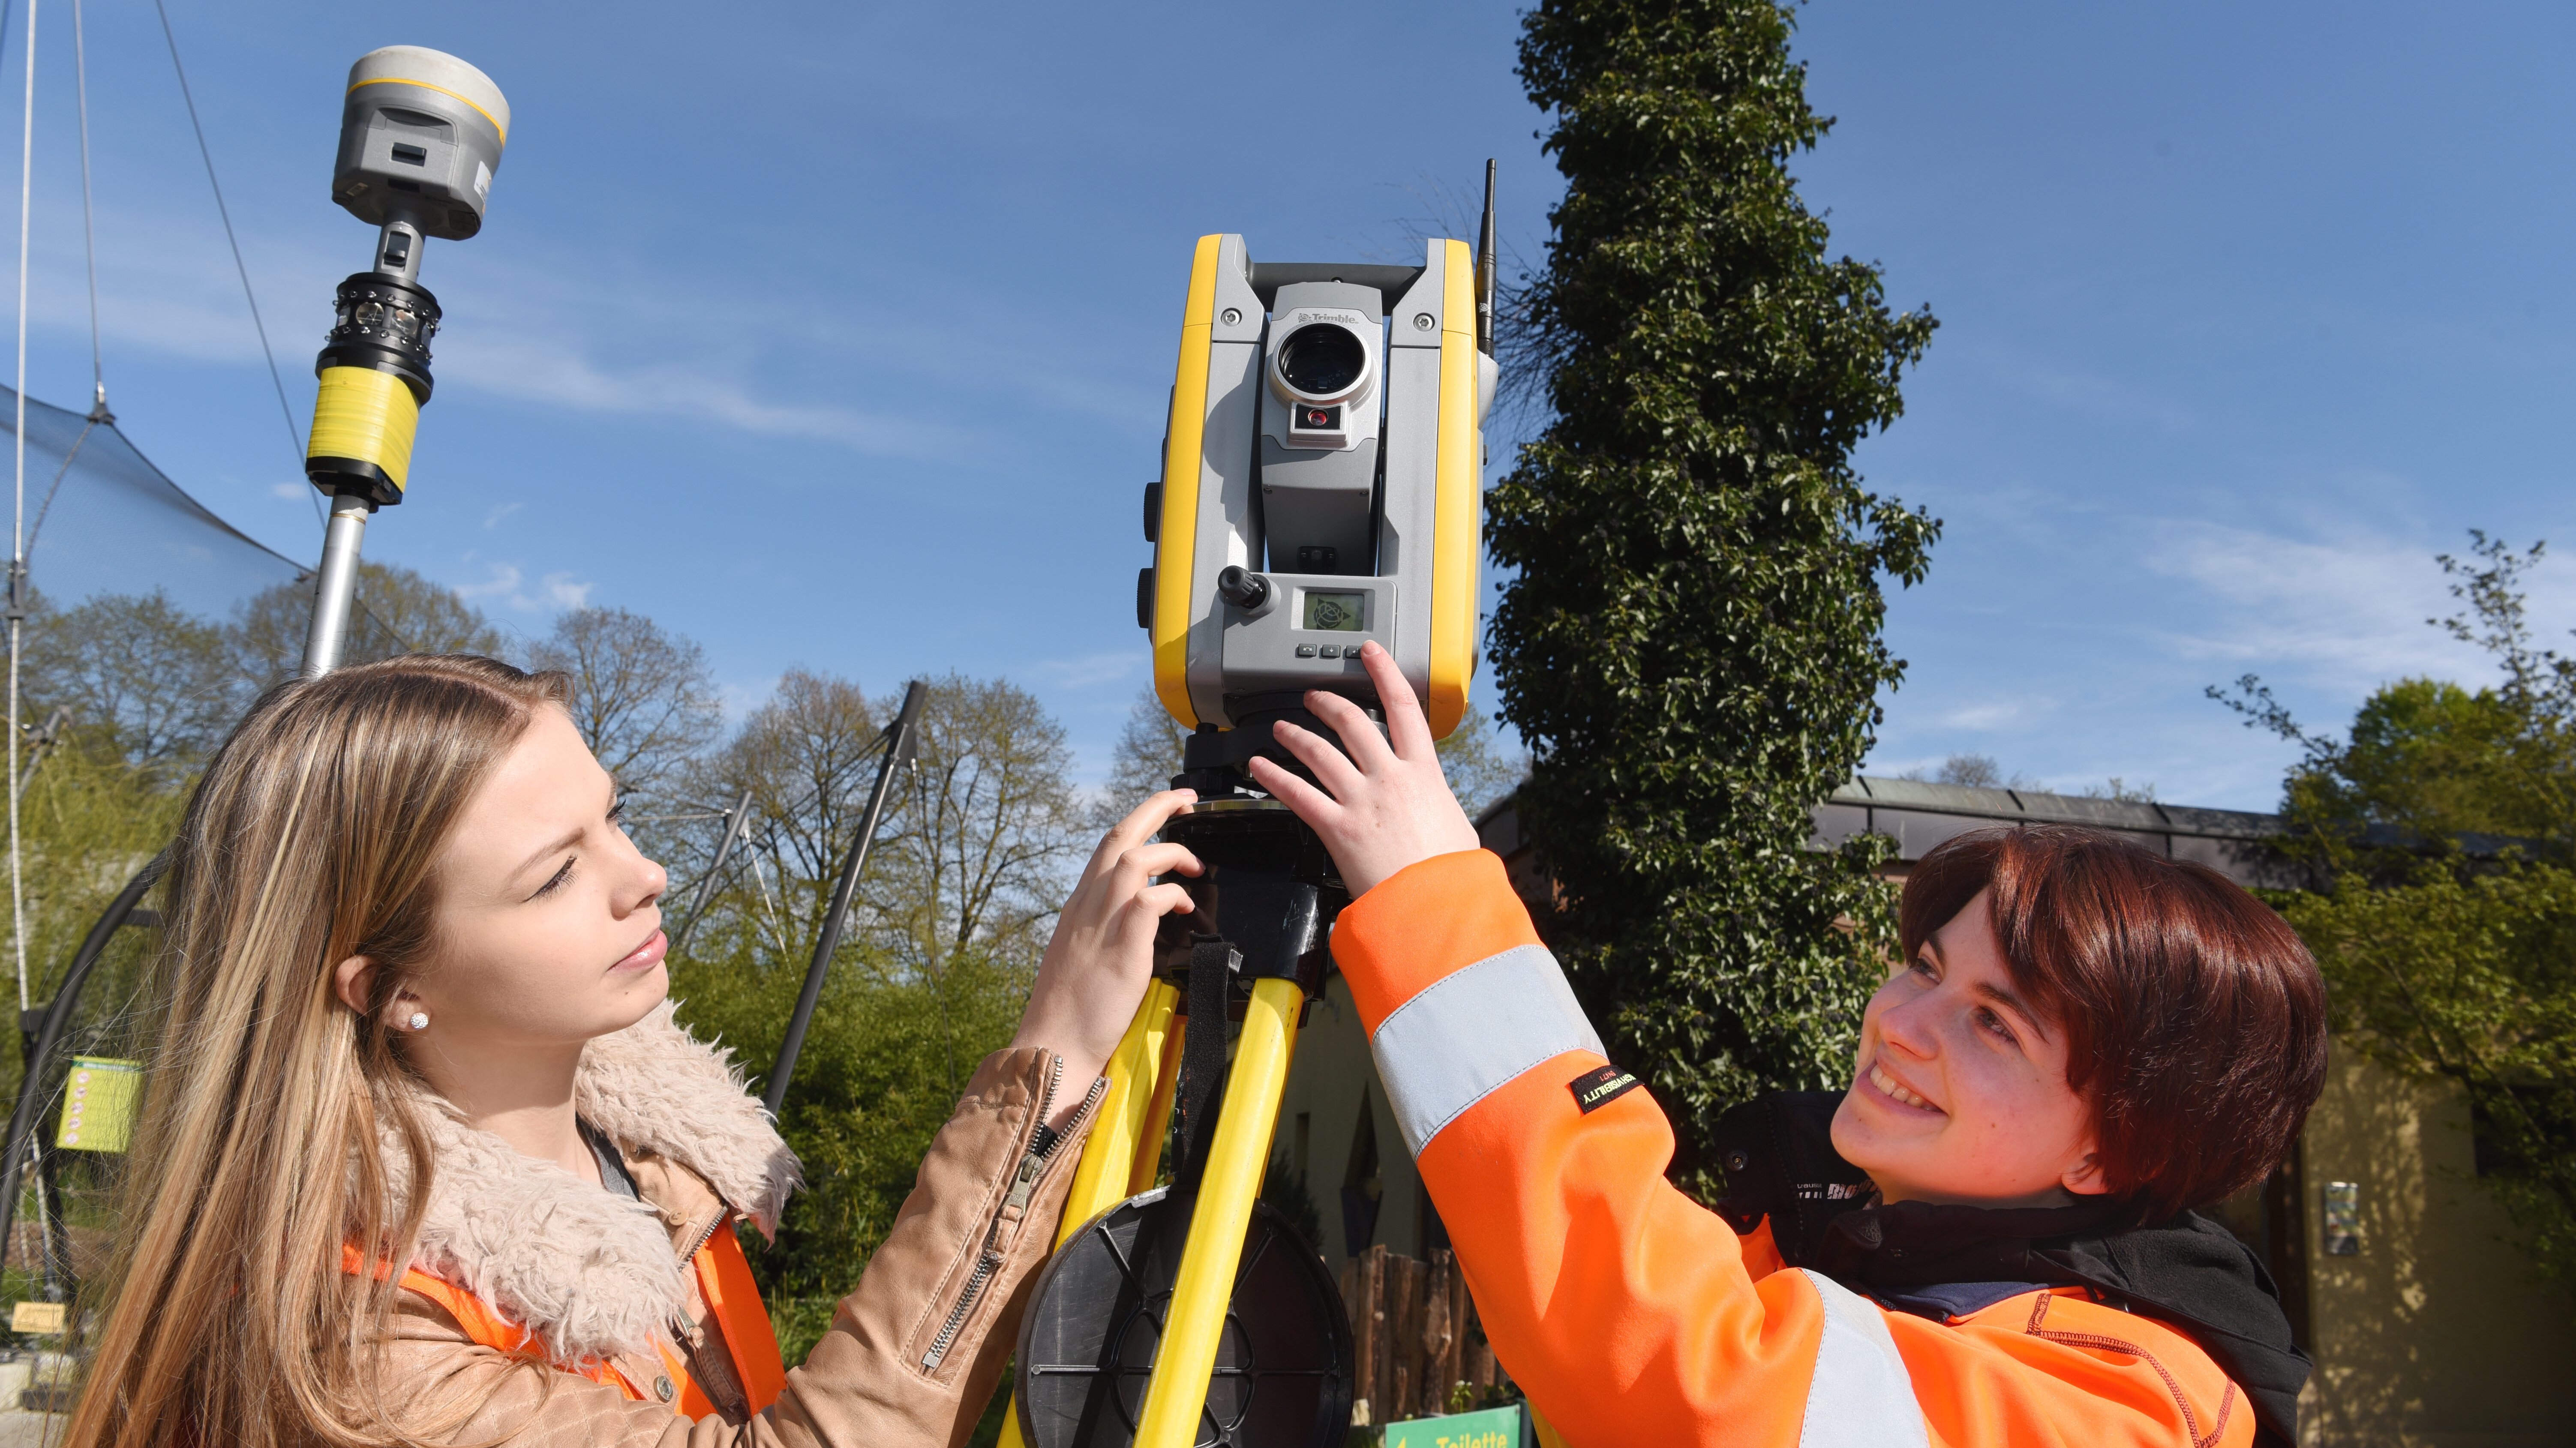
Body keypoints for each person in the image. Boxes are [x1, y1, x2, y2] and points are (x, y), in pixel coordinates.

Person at [63, 654, 1202, 1448]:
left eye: (613, 814)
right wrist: (1050, 1054)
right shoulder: (354, 1346)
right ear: (390, 988)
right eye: (556, 873)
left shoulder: (653, 1164)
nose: (644, 873)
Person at [1252, 642, 2327, 1448]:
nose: (1896, 1024)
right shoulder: (1842, 1248)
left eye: (1993, 1023)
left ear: (2109, 1152)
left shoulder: (2131, 1401)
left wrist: (1428, 900)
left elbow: (1697, 1384)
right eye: (1925, 969)